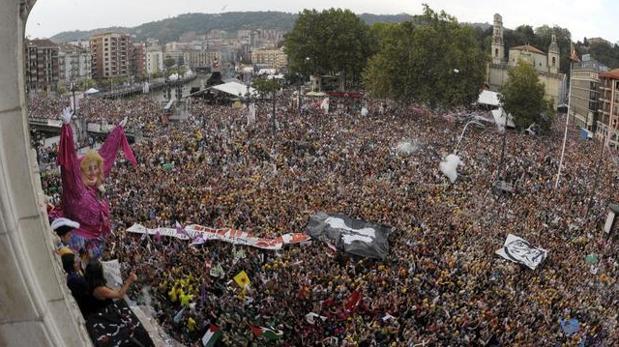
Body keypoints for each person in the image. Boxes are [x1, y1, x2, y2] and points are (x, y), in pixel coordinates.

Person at [57, 107, 137, 259]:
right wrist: (66, 129)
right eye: (89, 169)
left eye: (96, 168)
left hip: (96, 242)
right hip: (77, 242)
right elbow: (69, 166)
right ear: (81, 171)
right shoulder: (76, 188)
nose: (93, 172)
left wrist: (118, 131)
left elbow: (106, 154)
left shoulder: (95, 185)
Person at [61, 251, 89, 316]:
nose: (79, 263)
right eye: (75, 262)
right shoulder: (73, 279)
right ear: (70, 265)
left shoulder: (74, 275)